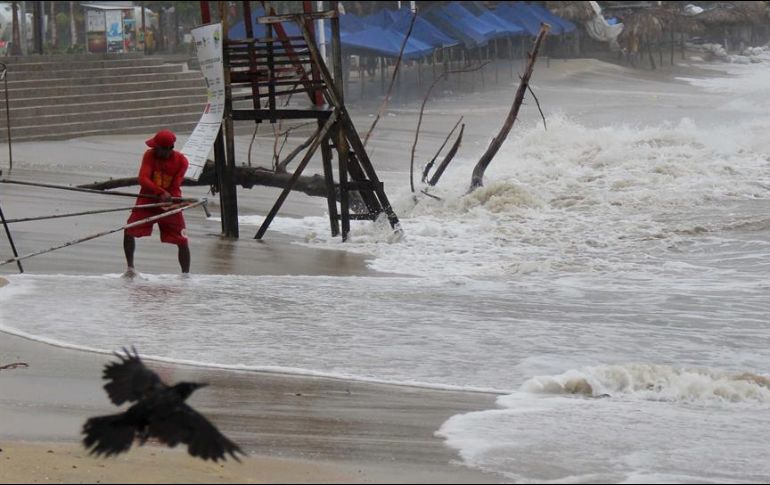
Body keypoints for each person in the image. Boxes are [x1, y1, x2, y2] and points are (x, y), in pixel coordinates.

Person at [123, 129, 190, 276]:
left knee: (182, 239)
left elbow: (175, 184)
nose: (154, 149)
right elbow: (143, 178)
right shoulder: (149, 155)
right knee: (129, 230)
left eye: (157, 148)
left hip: (171, 201)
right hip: (148, 197)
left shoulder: (182, 161)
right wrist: (159, 192)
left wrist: (168, 198)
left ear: (168, 149)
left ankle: (186, 275)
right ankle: (130, 269)